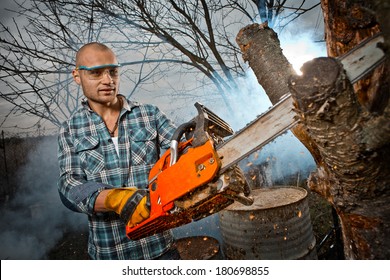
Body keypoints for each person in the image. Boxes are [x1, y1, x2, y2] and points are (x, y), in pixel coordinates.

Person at [57, 42, 181, 260]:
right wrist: (115, 198)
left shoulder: (148, 115)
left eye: (113, 71)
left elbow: (180, 145)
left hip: (160, 249)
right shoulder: (70, 130)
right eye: (96, 73)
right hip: (109, 254)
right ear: (77, 76)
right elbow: (70, 186)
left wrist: (196, 140)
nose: (108, 80)